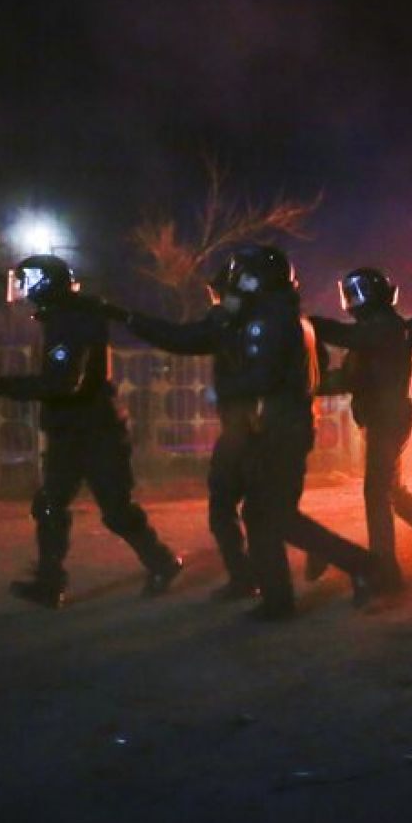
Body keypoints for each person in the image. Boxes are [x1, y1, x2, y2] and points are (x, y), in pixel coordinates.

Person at [110, 244, 375, 619]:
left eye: (240, 279)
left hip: (280, 428)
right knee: (264, 514)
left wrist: (226, 389)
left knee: (270, 514)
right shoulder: (281, 316)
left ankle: (354, 568)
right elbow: (191, 340)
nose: (232, 290)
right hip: (278, 426)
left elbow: (263, 376)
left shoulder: (270, 321)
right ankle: (282, 597)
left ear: (253, 281)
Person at [0, 254, 183, 609]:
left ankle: (162, 562)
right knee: (50, 504)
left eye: (27, 280)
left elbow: (65, 383)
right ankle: (49, 584)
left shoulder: (70, 320)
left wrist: (12, 386)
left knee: (116, 510)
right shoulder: (66, 316)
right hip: (75, 430)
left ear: (44, 282)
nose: (22, 288)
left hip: (94, 432)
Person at [310, 266, 412, 591]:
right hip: (380, 417)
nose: (351, 301)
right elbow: (350, 378)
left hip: (389, 418)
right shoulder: (374, 330)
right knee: (392, 492)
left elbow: (347, 339)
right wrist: (310, 384)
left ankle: (385, 572)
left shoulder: (385, 328)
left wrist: (306, 324)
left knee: (376, 492)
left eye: (355, 294)